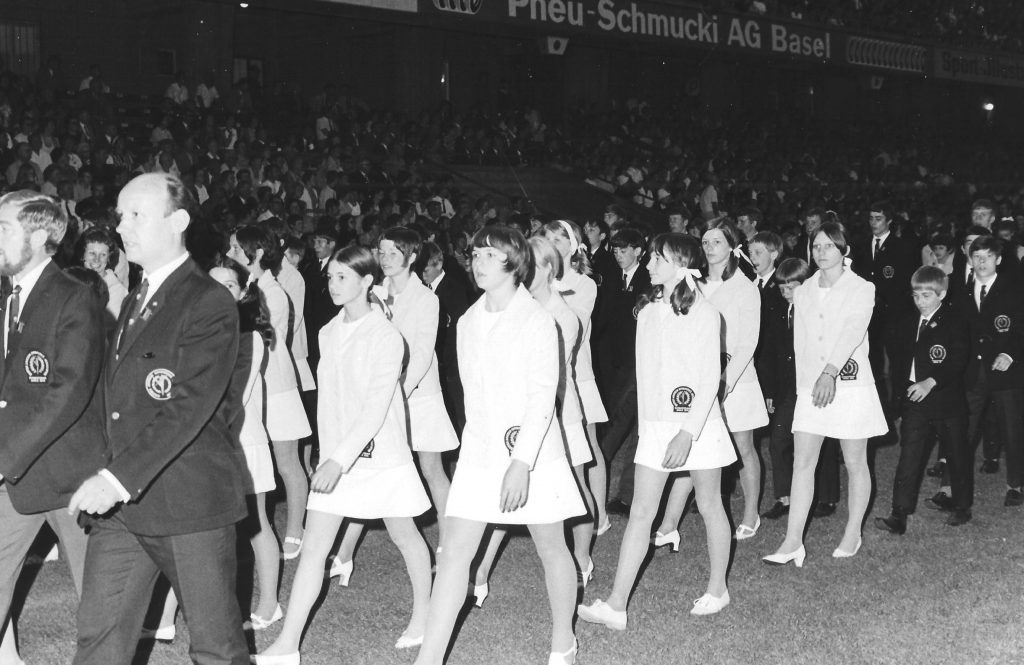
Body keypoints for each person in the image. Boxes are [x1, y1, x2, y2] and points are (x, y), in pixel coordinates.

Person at [68, 173, 249, 665]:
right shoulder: (134, 297)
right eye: (121, 215)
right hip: (123, 512)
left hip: (189, 504)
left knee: (215, 648)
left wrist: (115, 477)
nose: (121, 226)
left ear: (179, 221)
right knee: (99, 639)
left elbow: (187, 406)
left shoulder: (208, 302)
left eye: (136, 215)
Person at [412, 227, 584, 665]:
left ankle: (563, 639)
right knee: (454, 555)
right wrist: (484, 451)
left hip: (533, 455)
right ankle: (429, 658)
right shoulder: (468, 320)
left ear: (514, 263)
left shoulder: (537, 319)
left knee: (551, 546)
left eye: (491, 254)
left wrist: (520, 463)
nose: (479, 261)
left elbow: (543, 397)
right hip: (479, 455)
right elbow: (474, 396)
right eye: (476, 254)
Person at [255, 246, 432, 665]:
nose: (332, 286)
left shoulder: (387, 337)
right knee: (315, 549)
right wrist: (324, 452)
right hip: (337, 457)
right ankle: (287, 645)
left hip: (381, 456)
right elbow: (330, 403)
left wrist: (340, 458)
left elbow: (375, 406)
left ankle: (424, 616)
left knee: (406, 536)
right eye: (330, 277)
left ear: (367, 282)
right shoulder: (328, 332)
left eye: (342, 278)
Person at [578, 233, 735, 628]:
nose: (649, 264)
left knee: (711, 503)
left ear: (681, 263)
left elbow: (708, 376)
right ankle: (616, 605)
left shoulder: (705, 312)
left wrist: (687, 432)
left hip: (697, 426)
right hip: (656, 428)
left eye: (657, 259)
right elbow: (647, 379)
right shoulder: (648, 311)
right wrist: (650, 431)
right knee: (641, 514)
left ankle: (718, 589)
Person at [0, 192, 106, 665]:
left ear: (39, 236)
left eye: (4, 228)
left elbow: (68, 391)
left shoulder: (73, 297)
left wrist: (5, 457)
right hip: (15, 476)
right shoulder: (9, 298)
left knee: (99, 601)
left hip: (72, 476)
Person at [472, 236, 597, 607]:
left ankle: (583, 558)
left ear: (547, 269)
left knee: (574, 491)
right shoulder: (511, 306)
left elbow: (551, 380)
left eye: (532, 264)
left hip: (558, 414)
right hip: (517, 417)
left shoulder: (562, 316)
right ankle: (479, 573)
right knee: (503, 489)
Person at [330, 227, 459, 583]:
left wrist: (398, 388)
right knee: (369, 466)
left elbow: (421, 352)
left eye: (392, 252)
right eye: (381, 252)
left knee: (432, 468)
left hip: (415, 394)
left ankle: (448, 545)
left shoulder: (426, 298)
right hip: (381, 396)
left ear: (411, 256)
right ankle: (343, 554)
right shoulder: (372, 293)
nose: (385, 258)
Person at [764, 222, 887, 567]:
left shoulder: (862, 287)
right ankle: (792, 541)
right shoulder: (803, 291)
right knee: (803, 462)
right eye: (816, 246)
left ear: (844, 250)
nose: (821, 252)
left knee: (854, 461)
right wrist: (805, 387)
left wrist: (830, 372)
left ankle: (852, 531)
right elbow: (801, 343)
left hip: (847, 383)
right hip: (811, 388)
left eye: (829, 246)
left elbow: (852, 331)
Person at [656, 221, 768, 543]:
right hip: (699, 380)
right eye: (704, 241)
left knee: (744, 447)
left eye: (715, 241)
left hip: (734, 380)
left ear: (732, 247)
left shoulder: (745, 287)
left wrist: (724, 380)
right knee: (695, 446)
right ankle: (669, 524)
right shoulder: (696, 284)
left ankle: (750, 514)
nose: (707, 246)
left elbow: (747, 342)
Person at [228, 225, 312, 560]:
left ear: (257, 254)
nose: (231, 253)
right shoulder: (243, 286)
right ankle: (257, 527)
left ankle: (296, 528)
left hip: (276, 387)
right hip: (254, 388)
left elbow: (262, 343)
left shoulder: (273, 293)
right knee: (256, 464)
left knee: (287, 462)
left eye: (236, 248)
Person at [209, 259, 282, 626]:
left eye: (230, 285)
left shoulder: (249, 336)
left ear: (243, 292)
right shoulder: (200, 330)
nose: (222, 291)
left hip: (240, 440)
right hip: (208, 443)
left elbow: (233, 396)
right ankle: (172, 611)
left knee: (254, 524)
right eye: (214, 284)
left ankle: (269, 602)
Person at [876, 266, 972, 534]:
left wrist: (930, 382)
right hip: (915, 402)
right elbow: (899, 364)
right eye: (916, 295)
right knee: (909, 457)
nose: (920, 301)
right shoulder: (907, 322)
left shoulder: (955, 321)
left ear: (941, 294)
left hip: (946, 401)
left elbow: (957, 360)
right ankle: (899, 514)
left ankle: (962, 507)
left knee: (956, 455)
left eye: (927, 295)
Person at [543, 219, 609, 533]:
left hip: (576, 374)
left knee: (587, 447)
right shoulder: (536, 279)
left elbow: (576, 329)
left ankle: (599, 517)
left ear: (573, 246)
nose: (553, 243)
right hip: (546, 375)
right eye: (547, 238)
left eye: (560, 238)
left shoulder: (584, 283)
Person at [952, 235, 1024, 507]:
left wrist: (1009, 354)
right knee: (963, 429)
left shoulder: (1014, 290)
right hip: (972, 373)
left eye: (988, 257)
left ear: (999, 259)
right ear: (970, 260)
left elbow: (1020, 330)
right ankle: (953, 487)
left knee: (1012, 429)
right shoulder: (960, 293)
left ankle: (1015, 485)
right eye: (977, 257)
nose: (982, 262)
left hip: (1007, 371)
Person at [593, 228, 650, 517]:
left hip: (642, 363)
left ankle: (624, 496)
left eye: (624, 249)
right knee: (619, 421)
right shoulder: (614, 278)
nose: (618, 255)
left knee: (628, 426)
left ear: (638, 251)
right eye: (615, 250)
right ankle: (600, 487)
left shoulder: (649, 279)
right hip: (618, 362)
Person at [77, 226, 128, 323]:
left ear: (109, 258)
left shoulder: (116, 291)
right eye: (92, 253)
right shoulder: (75, 279)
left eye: (103, 255)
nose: (97, 259)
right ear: (82, 254)